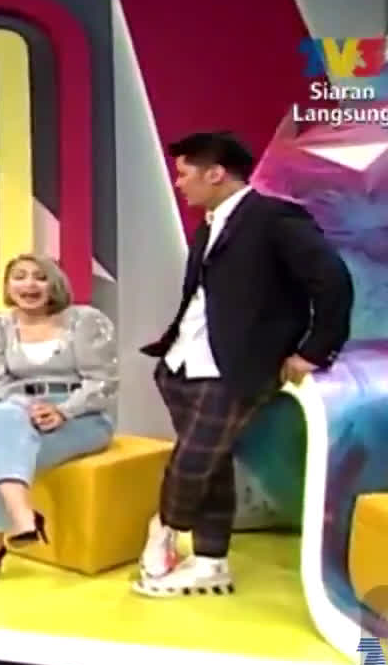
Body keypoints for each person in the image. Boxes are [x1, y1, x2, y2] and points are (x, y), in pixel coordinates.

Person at [135, 131, 353, 597]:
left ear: (215, 173)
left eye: (184, 174)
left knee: (192, 463)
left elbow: (332, 280)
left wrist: (314, 350)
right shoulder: (208, 225)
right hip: (181, 365)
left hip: (235, 370)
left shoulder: (275, 218)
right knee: (212, 467)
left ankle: (164, 528)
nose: (179, 183)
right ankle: (211, 563)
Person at [0, 254, 117, 586]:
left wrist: (63, 410)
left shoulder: (85, 321)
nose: (29, 284)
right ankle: (23, 518)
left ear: (54, 283)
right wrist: (27, 408)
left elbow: (103, 381)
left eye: (39, 277)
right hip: (15, 411)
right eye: (20, 276)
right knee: (3, 414)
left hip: (81, 417)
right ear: (8, 285)